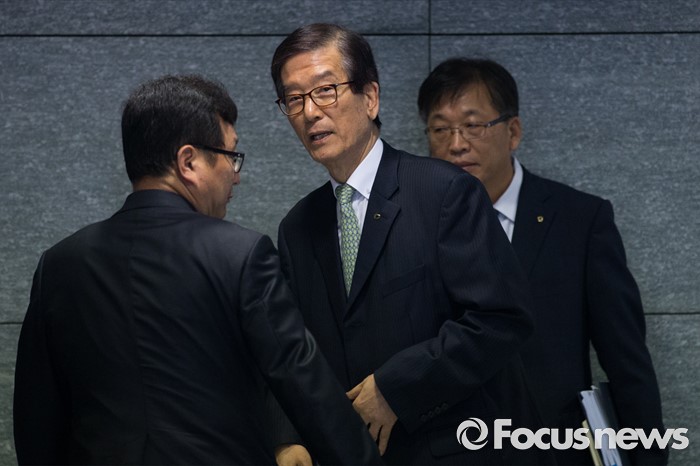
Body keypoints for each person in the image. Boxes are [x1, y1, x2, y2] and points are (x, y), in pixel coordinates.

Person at [13, 75, 382, 465]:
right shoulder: (241, 255)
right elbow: (308, 389)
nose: (236, 174)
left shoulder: (59, 264)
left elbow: (36, 420)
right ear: (188, 162)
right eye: (230, 156)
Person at [269, 23, 555, 465]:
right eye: (294, 99)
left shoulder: (445, 191)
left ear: (370, 97)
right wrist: (288, 438)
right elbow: (293, 350)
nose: (310, 112)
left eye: (325, 91)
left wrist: (396, 387)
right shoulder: (298, 227)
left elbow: (501, 318)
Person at [418, 57, 668, 465]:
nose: (457, 143)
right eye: (441, 129)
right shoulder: (415, 227)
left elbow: (627, 363)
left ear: (513, 131)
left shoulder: (580, 221)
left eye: (473, 125)